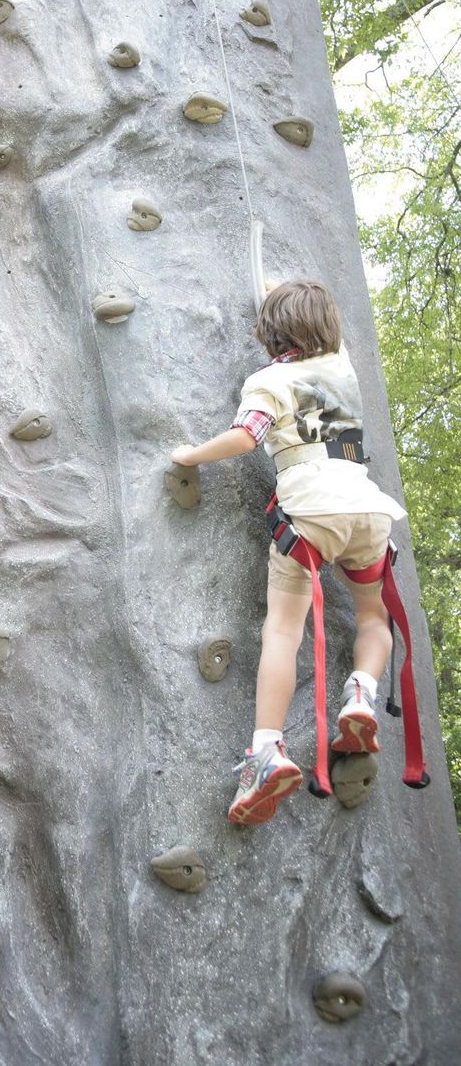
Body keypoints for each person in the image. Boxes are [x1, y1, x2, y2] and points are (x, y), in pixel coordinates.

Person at [170, 280, 405, 825]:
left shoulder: (268, 380)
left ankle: (267, 752)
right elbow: (318, 324)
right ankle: (361, 696)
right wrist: (284, 291)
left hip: (311, 517)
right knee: (374, 618)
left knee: (283, 630)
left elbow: (246, 437)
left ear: (270, 333)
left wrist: (190, 455)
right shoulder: (342, 371)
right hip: (367, 510)